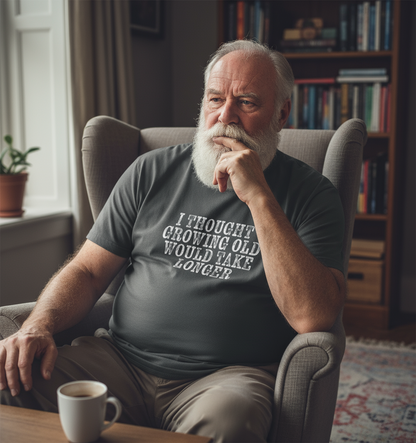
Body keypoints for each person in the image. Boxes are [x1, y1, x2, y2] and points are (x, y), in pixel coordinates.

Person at [0, 40, 346, 442]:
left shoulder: (311, 194)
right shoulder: (151, 171)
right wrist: (38, 326)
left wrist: (259, 198)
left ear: (281, 113)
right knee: (10, 381)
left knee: (232, 422)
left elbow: (315, 317)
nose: (225, 117)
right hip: (118, 361)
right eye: (215, 99)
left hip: (225, 380)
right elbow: (88, 270)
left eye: (247, 103)